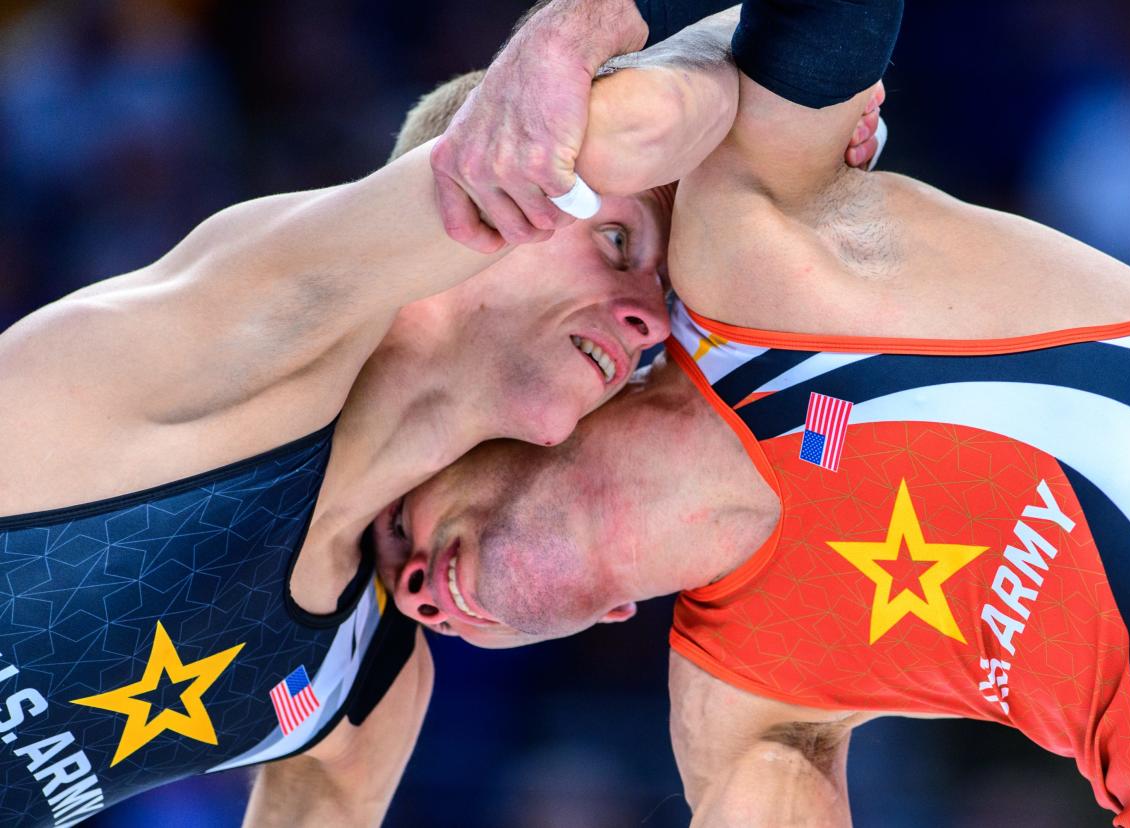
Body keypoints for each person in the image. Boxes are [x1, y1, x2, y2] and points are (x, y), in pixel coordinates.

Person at [0, 5, 884, 824]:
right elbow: (625, 129)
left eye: (656, 320)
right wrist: (778, 131)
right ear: (501, 182)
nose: (648, 319)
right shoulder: (230, 342)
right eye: (619, 244)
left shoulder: (369, 676)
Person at [400, 4, 1130, 826]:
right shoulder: (740, 704)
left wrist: (577, 29)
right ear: (608, 618)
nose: (409, 587)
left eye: (398, 519)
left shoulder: (751, 274)